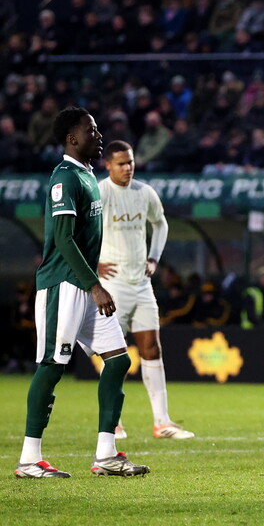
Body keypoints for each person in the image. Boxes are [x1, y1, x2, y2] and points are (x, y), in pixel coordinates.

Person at [16, 107, 149, 478]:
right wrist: (95, 284)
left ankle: (106, 455)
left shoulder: (87, 175)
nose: (99, 135)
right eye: (91, 130)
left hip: (85, 285)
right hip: (63, 284)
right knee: (52, 365)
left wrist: (92, 282)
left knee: (119, 360)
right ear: (72, 138)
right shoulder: (64, 177)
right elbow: (63, 238)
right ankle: (29, 459)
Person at [97, 140, 194, 439]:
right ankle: (113, 422)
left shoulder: (144, 192)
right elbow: (79, 231)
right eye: (121, 163)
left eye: (130, 162)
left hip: (141, 283)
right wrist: (93, 264)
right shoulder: (99, 193)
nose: (128, 168)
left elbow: (160, 224)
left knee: (152, 347)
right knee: (114, 355)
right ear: (108, 165)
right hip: (112, 284)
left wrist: (154, 258)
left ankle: (162, 422)